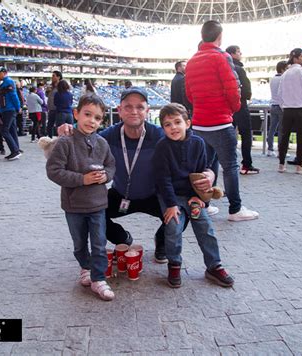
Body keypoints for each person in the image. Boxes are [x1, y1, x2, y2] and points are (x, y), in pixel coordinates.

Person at [59, 87, 216, 263]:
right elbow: (86, 137)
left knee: (180, 214)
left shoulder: (160, 134)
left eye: (140, 107)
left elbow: (193, 147)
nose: (134, 111)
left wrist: (209, 174)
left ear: (147, 111)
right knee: (94, 213)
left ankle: (162, 242)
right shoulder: (109, 135)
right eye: (128, 107)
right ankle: (122, 238)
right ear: (119, 110)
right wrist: (70, 128)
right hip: (122, 194)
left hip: (154, 195)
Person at [153, 103, 234, 288]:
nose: (173, 127)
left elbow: (200, 173)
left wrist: (200, 197)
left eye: (177, 122)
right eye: (167, 124)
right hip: (170, 196)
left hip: (192, 196)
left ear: (187, 123)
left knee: (204, 226)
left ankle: (214, 265)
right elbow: (162, 179)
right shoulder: (162, 147)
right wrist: (172, 204)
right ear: (163, 128)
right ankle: (174, 263)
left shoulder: (198, 143)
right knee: (173, 226)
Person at [185, 20, 259, 221]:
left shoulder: (191, 61)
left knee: (207, 164)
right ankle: (235, 209)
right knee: (230, 166)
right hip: (220, 122)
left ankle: (205, 203)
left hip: (199, 122)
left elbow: (189, 94)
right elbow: (233, 88)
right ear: (220, 37)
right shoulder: (222, 57)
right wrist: (232, 109)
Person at [46, 94, 116, 301]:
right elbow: (53, 171)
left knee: (99, 243)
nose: (91, 121)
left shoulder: (102, 143)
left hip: (98, 204)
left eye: (97, 118)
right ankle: (85, 266)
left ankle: (98, 278)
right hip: (73, 205)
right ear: (76, 114)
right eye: (87, 114)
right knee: (79, 243)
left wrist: (106, 176)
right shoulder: (65, 143)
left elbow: (111, 165)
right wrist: (82, 179)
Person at [277, 48, 302, 174]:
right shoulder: (301, 71)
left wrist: (284, 106)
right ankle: (299, 165)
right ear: (295, 58)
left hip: (287, 109)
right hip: (300, 108)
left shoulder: (285, 73)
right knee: (301, 138)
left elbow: (279, 94)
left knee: (284, 137)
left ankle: (281, 164)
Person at [226, 45, 259, 174]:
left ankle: (229, 163)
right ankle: (246, 164)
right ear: (233, 54)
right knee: (246, 135)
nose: (241, 54)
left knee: (227, 135)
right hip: (239, 105)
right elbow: (246, 90)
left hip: (227, 107)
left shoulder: (224, 68)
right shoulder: (238, 69)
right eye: (239, 52)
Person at [0, 66, 22, 160]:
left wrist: (18, 107)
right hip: (8, 109)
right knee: (12, 130)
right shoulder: (6, 82)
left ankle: (15, 151)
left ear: (4, 72)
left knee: (4, 130)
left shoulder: (8, 82)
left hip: (8, 109)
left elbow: (14, 96)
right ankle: (16, 150)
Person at [267, 61, 288, 156]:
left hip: (273, 105)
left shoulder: (273, 79)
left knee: (272, 128)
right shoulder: (283, 79)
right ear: (283, 69)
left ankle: (270, 149)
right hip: (281, 106)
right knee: (281, 130)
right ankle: (281, 151)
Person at [46, 70, 62, 138]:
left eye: (53, 76)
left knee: (58, 126)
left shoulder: (61, 86)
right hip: (51, 109)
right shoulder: (51, 87)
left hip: (58, 109)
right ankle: (50, 140)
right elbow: (47, 96)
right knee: (49, 126)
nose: (52, 77)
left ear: (58, 77)